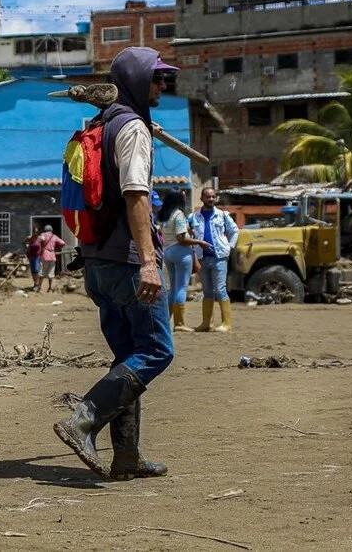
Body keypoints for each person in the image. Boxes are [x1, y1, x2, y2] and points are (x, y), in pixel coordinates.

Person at [53, 47, 176, 481]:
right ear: (140, 82)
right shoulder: (132, 129)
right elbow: (135, 195)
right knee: (157, 350)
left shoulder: (100, 125)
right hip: (126, 262)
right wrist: (148, 262)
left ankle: (126, 456)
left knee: (128, 356)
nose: (164, 86)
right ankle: (82, 419)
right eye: (158, 79)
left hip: (96, 263)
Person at [157, 189, 211, 332]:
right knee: (181, 287)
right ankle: (179, 323)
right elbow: (181, 238)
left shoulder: (165, 215)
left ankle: (165, 320)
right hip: (180, 252)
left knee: (173, 288)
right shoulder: (179, 214)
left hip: (167, 251)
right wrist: (199, 242)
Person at [188, 187, 239, 332]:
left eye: (213, 196)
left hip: (219, 257)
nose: (211, 199)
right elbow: (186, 232)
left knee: (220, 289)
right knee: (207, 291)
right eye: (208, 197)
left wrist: (230, 246)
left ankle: (226, 323)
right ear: (202, 198)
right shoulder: (193, 217)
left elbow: (234, 230)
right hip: (202, 258)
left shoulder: (222, 215)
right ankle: (206, 323)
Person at [37, 224, 65, 293]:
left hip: (44, 255)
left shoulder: (43, 234)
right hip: (52, 255)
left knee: (42, 272)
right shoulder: (54, 236)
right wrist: (56, 249)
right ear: (51, 230)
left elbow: (41, 239)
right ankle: (50, 288)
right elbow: (63, 243)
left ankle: (39, 288)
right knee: (51, 273)